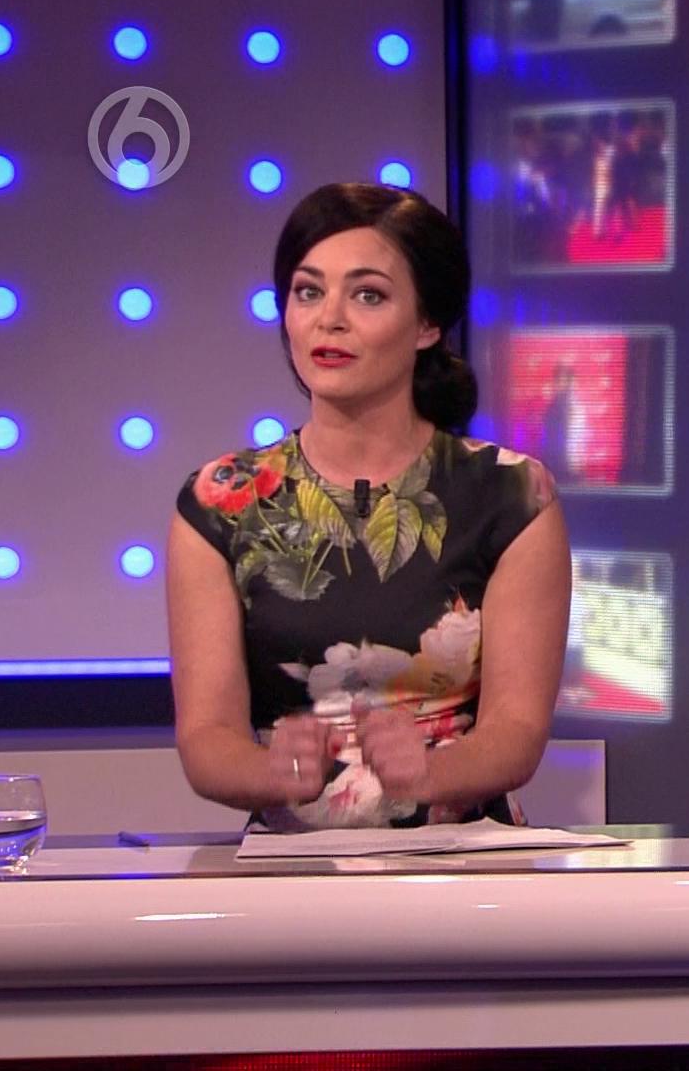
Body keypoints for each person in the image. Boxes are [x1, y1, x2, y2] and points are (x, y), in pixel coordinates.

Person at [170, 183, 571, 831]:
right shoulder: (221, 504)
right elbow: (206, 740)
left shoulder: (512, 495)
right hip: (289, 870)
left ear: (427, 324)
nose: (329, 319)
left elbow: (517, 732)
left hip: (467, 868)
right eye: (308, 292)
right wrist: (273, 771)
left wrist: (429, 773)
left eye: (368, 295)